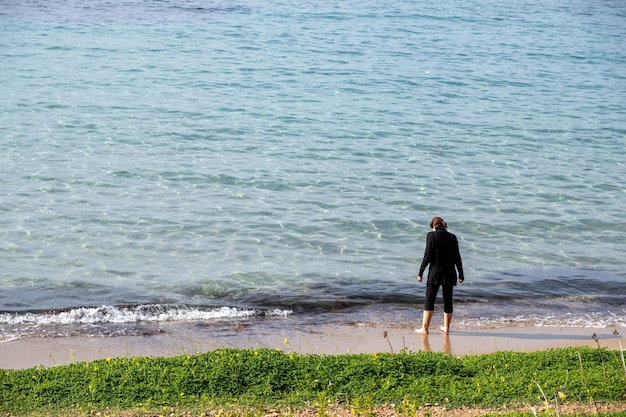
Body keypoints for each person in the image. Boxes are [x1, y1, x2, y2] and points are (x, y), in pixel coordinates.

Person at [415, 216, 464, 334]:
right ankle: (446, 327)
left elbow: (427, 256)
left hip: (435, 273)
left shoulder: (431, 236)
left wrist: (420, 272)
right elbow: (457, 257)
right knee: (448, 301)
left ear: (433, 226)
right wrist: (461, 274)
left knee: (429, 300)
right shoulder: (452, 237)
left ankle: (425, 328)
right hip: (450, 273)